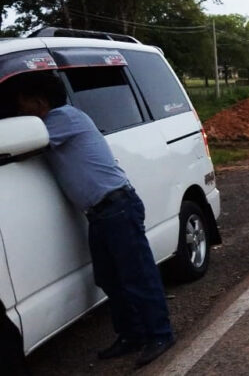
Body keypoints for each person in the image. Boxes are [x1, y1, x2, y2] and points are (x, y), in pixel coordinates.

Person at [11, 71, 175, 367]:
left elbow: (25, 147)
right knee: (110, 278)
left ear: (39, 101)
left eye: (22, 102)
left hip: (117, 207)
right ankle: (132, 335)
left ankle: (160, 334)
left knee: (138, 276)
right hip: (103, 213)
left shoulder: (62, 119)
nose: (20, 109)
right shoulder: (59, 121)